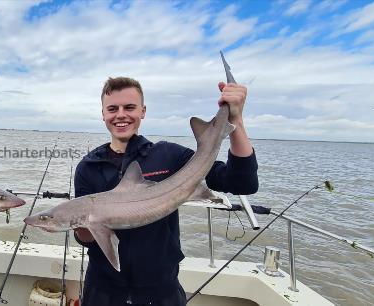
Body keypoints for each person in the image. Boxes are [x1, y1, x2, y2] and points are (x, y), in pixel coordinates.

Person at [73, 77, 258, 306]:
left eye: (129, 107)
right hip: (103, 290)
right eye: (112, 109)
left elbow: (242, 183)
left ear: (143, 111)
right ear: (103, 114)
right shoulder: (88, 167)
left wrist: (235, 119)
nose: (121, 114)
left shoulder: (169, 156)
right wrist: (80, 224)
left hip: (161, 290)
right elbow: (87, 240)